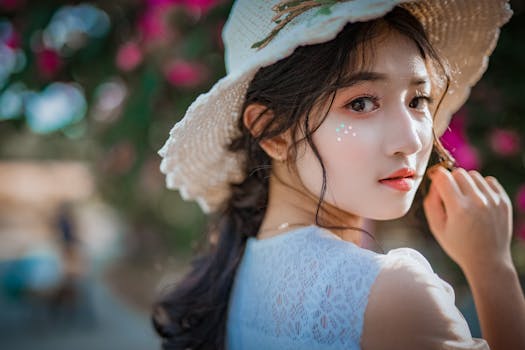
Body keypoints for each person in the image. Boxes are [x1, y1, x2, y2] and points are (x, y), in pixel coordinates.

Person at [152, 1, 525, 349]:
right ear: (272, 131)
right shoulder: (394, 296)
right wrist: (492, 270)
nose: (410, 140)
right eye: (361, 103)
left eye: (417, 100)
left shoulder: (240, 272)